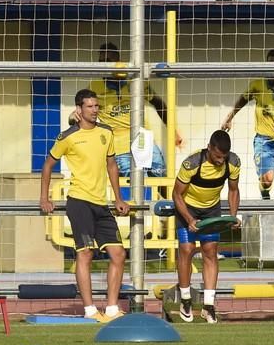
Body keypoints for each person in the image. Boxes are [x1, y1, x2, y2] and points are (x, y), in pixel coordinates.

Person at [40, 88, 130, 322]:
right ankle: (90, 310)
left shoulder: (106, 132)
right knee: (86, 253)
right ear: (79, 109)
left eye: (96, 106)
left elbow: (111, 165)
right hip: (79, 201)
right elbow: (48, 165)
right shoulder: (68, 136)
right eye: (89, 107)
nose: (94, 110)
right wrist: (44, 198)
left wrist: (118, 198)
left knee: (118, 254)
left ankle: (111, 308)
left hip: (101, 203)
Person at [71, 42, 182, 181]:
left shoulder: (134, 80)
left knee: (159, 174)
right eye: (101, 61)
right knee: (135, 183)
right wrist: (73, 117)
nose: (104, 65)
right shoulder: (95, 86)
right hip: (118, 145)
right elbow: (82, 111)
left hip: (142, 138)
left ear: (118, 61)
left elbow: (158, 104)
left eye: (108, 61)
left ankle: (165, 202)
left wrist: (173, 130)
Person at [172, 130, 241, 324]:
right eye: (217, 156)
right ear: (209, 148)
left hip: (212, 210)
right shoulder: (192, 163)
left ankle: (209, 306)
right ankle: (185, 299)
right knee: (186, 249)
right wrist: (189, 219)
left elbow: (233, 190)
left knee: (210, 251)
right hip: (188, 208)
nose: (221, 161)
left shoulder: (233, 162)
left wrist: (233, 216)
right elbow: (177, 195)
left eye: (224, 157)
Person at [222, 49, 274, 199]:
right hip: (264, 140)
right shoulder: (257, 84)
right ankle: (265, 192)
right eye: (271, 64)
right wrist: (230, 117)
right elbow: (243, 99)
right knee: (267, 180)